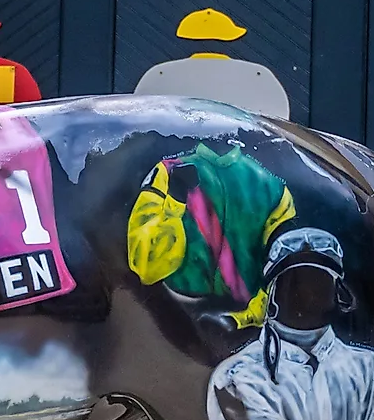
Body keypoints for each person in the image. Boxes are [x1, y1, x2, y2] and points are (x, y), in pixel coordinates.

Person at [207, 227, 374, 420]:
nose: (306, 292)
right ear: (273, 293)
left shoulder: (367, 368)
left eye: (318, 280)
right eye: (294, 280)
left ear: (338, 292)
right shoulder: (236, 376)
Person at [125, 139, 295, 329]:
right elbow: (146, 269)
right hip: (176, 317)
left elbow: (285, 270)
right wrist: (175, 201)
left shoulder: (272, 187)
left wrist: (244, 319)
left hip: (243, 326)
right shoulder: (168, 172)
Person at [132, 8, 291, 119]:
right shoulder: (259, 77)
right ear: (230, 41)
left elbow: (139, 119)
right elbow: (279, 120)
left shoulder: (158, 76)